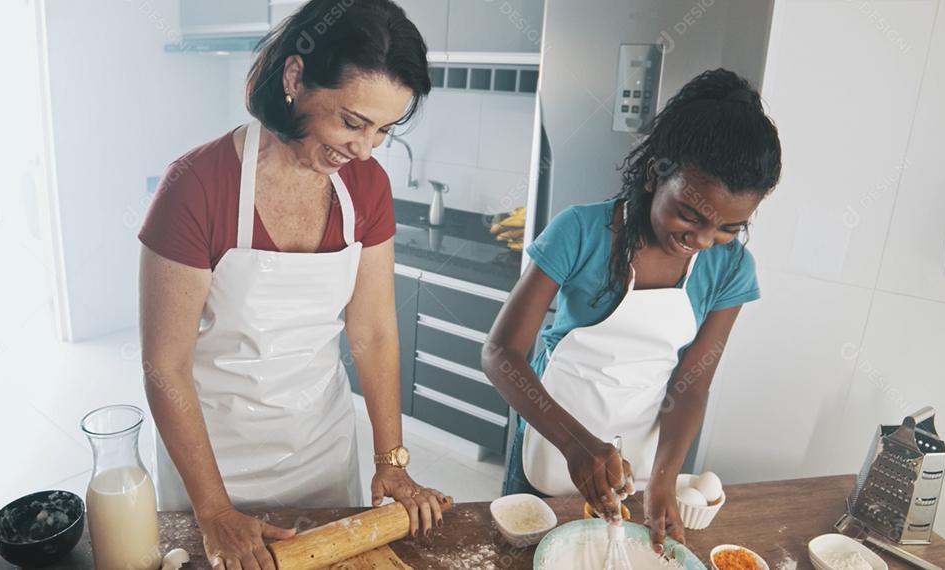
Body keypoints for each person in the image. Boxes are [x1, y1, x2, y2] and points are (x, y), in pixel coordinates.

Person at [138, 2, 446, 569]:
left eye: (384, 129)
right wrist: (212, 510)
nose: (365, 148)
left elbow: (374, 333)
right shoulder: (196, 187)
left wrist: (391, 458)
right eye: (353, 122)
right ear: (295, 78)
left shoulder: (367, 187)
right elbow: (165, 364)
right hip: (213, 461)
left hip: (319, 453)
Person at [482, 68, 782, 553]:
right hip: (554, 430)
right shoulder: (580, 231)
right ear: (654, 174)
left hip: (647, 451)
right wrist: (575, 444)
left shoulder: (730, 269)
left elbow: (692, 383)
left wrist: (663, 479)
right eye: (690, 213)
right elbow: (501, 354)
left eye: (728, 227)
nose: (702, 241)